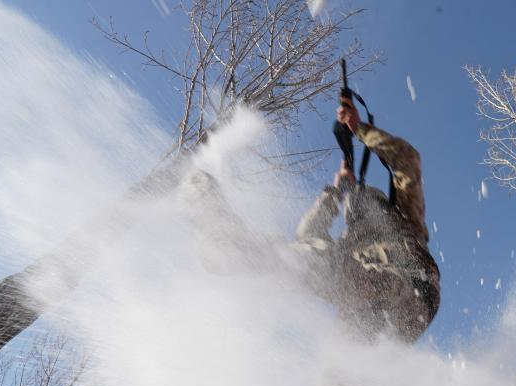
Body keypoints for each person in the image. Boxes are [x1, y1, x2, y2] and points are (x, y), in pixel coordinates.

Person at [181, 97, 440, 344]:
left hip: (410, 292)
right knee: (343, 376)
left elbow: (408, 160)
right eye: (354, 212)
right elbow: (307, 236)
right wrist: (334, 193)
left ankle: (233, 246)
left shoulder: (404, 220)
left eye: (363, 208)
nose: (358, 216)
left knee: (321, 259)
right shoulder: (351, 246)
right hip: (367, 315)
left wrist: (359, 128)